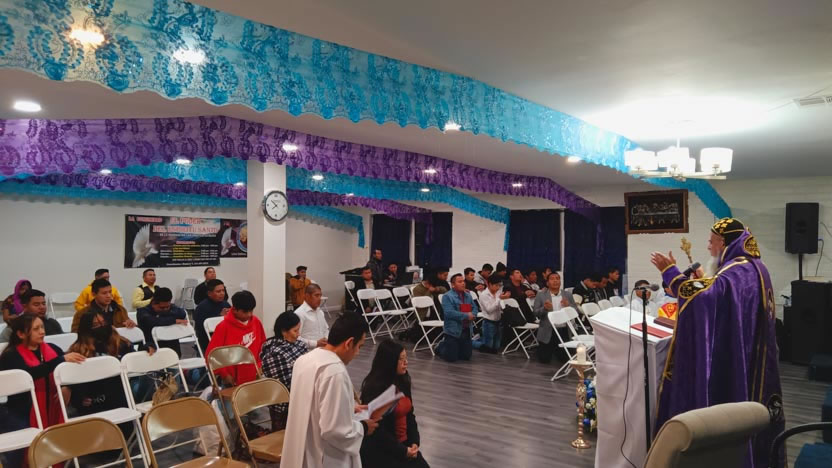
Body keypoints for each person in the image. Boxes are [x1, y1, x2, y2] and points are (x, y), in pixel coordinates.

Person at [650, 218, 785, 468]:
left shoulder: (738, 269)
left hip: (736, 359)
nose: (708, 246)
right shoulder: (752, 266)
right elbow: (721, 296)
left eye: (711, 241)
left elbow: (704, 299)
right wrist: (706, 280)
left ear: (723, 242)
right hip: (751, 354)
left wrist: (670, 272)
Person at [282, 312, 378, 468]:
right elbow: (335, 430)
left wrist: (347, 406)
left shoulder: (304, 360)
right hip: (324, 455)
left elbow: (311, 402)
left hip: (301, 445)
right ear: (349, 343)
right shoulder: (335, 371)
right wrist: (364, 427)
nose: (358, 353)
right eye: (359, 347)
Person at [0, 315, 85, 467]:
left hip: (53, 405)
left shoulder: (52, 348)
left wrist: (67, 387)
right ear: (21, 334)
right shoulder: (10, 355)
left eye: (42, 327)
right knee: (19, 450)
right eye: (36, 329)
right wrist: (60, 361)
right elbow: (28, 375)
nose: (42, 332)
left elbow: (68, 372)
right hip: (23, 410)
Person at [360, 340, 430, 468]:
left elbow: (410, 415)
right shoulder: (374, 388)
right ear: (389, 362)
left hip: (404, 445)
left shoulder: (403, 380)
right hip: (383, 450)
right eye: (401, 359)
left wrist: (414, 442)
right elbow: (378, 432)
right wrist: (403, 451)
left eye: (406, 358)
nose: (406, 362)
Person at [68, 311, 133, 421]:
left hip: (120, 396)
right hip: (93, 401)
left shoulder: (121, 343)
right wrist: (78, 398)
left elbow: (132, 361)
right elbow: (73, 380)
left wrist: (146, 346)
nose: (102, 327)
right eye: (96, 325)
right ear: (86, 330)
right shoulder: (77, 351)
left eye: (103, 323)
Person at [205, 290, 266, 387]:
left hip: (253, 374)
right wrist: (224, 374)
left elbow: (263, 346)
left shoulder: (256, 322)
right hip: (231, 379)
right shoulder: (223, 327)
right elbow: (211, 355)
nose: (249, 314)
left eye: (251, 311)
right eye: (245, 312)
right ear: (234, 310)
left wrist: (260, 365)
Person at [260, 311, 308, 431]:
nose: (298, 334)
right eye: (295, 331)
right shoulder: (273, 353)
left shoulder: (300, 345)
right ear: (284, 332)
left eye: (299, 330)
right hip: (284, 406)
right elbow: (284, 386)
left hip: (302, 397)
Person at [437, 274, 479, 362]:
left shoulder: (468, 295)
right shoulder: (447, 296)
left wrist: (473, 314)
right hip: (453, 331)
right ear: (453, 284)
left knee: (466, 357)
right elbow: (449, 313)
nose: (463, 283)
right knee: (451, 358)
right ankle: (440, 346)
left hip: (466, 329)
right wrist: (467, 316)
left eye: (463, 281)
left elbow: (475, 307)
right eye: (460, 282)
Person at [137, 287, 188, 355]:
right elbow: (152, 321)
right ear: (153, 303)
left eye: (168, 307)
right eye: (162, 307)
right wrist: (173, 320)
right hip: (150, 349)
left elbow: (182, 313)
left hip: (172, 350)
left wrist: (164, 316)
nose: (165, 309)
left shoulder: (172, 309)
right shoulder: (142, 312)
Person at [533, 272, 570, 363]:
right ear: (547, 283)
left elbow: (575, 311)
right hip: (548, 329)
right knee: (544, 360)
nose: (555, 281)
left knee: (564, 359)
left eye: (557, 278)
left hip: (563, 329)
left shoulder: (567, 295)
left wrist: (568, 307)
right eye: (552, 279)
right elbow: (536, 313)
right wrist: (544, 308)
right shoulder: (541, 295)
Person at [473, 275, 510, 353]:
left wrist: (505, 300)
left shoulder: (498, 293)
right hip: (488, 322)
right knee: (487, 348)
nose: (498, 288)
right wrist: (499, 299)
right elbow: (489, 310)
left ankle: (481, 337)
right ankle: (470, 342)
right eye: (496, 285)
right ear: (489, 284)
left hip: (498, 321)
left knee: (496, 347)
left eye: (499, 286)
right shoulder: (484, 295)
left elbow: (501, 307)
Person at [194, 279, 231, 351]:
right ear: (209, 293)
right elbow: (201, 330)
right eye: (218, 291)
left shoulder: (225, 304)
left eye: (223, 290)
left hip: (225, 340)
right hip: (208, 342)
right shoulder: (201, 308)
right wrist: (220, 317)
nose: (222, 293)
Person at [296, 284, 330, 350]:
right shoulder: (299, 313)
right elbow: (296, 338)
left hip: (322, 349)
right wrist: (315, 343)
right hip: (308, 352)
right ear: (307, 296)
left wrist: (326, 339)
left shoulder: (320, 312)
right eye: (316, 295)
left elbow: (326, 329)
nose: (319, 299)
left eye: (320, 295)